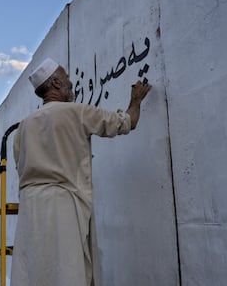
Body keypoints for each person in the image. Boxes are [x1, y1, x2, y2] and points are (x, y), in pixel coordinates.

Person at [10, 58, 152, 286]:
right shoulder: (76, 112)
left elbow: (21, 166)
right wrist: (135, 101)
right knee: (67, 271)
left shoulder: (23, 127)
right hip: (63, 205)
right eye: (66, 77)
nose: (71, 81)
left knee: (35, 272)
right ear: (56, 83)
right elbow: (126, 123)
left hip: (31, 208)